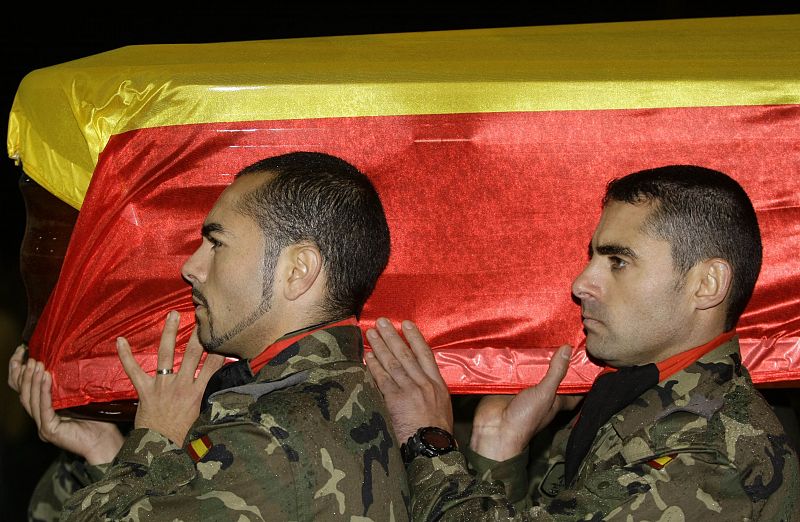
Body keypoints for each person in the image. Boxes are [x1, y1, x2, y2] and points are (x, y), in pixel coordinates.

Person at [365, 165, 800, 520]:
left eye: (618, 261)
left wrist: (427, 440)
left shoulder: (710, 455)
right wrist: (500, 444)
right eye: (591, 257)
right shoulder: (634, 407)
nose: (580, 283)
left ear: (707, 284)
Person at [9, 151, 410, 521]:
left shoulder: (266, 435)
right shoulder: (344, 392)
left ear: (297, 270)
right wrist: (103, 449)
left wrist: (157, 436)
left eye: (216, 243)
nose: (190, 267)